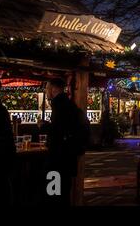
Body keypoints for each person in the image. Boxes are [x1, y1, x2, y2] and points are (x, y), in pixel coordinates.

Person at [45, 78, 90, 206]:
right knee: (64, 191)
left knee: (54, 193)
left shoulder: (59, 105)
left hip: (57, 158)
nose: (46, 91)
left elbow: (58, 130)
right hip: (68, 158)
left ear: (53, 88)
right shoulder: (69, 104)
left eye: (47, 87)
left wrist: (44, 126)